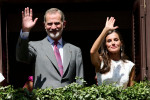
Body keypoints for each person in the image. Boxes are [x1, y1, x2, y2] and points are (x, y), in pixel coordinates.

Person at [16, 7, 84, 89]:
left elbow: (80, 82)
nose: (53, 27)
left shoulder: (75, 51)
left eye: (57, 23)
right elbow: (21, 57)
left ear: (64, 24)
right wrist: (25, 31)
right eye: (49, 24)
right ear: (44, 25)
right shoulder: (35, 46)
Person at [90, 17, 135, 89]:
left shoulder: (130, 65)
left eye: (116, 40)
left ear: (121, 43)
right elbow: (92, 52)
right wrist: (105, 30)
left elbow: (131, 91)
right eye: (109, 41)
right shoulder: (101, 61)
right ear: (106, 45)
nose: (113, 43)